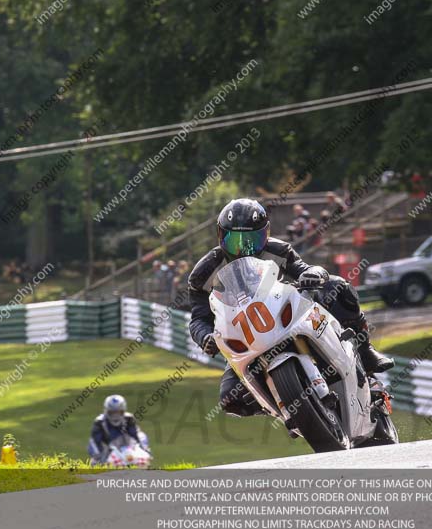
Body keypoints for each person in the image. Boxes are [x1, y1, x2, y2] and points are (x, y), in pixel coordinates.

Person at [188, 198, 395, 417]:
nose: (243, 248)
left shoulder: (279, 250)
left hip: (285, 314)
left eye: (251, 240)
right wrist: (205, 337)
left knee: (338, 286)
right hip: (247, 337)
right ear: (221, 236)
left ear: (265, 234)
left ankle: (366, 353)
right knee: (230, 398)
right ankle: (281, 403)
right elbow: (198, 319)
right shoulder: (203, 273)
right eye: (235, 240)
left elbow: (304, 268)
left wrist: (313, 274)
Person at [88, 395, 150, 464]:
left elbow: (136, 435)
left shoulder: (129, 418)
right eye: (112, 413)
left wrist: (143, 449)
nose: (115, 416)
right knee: (96, 461)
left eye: (118, 412)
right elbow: (95, 442)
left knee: (142, 437)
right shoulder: (99, 422)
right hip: (108, 449)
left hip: (127, 447)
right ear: (106, 411)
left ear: (123, 411)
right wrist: (99, 457)